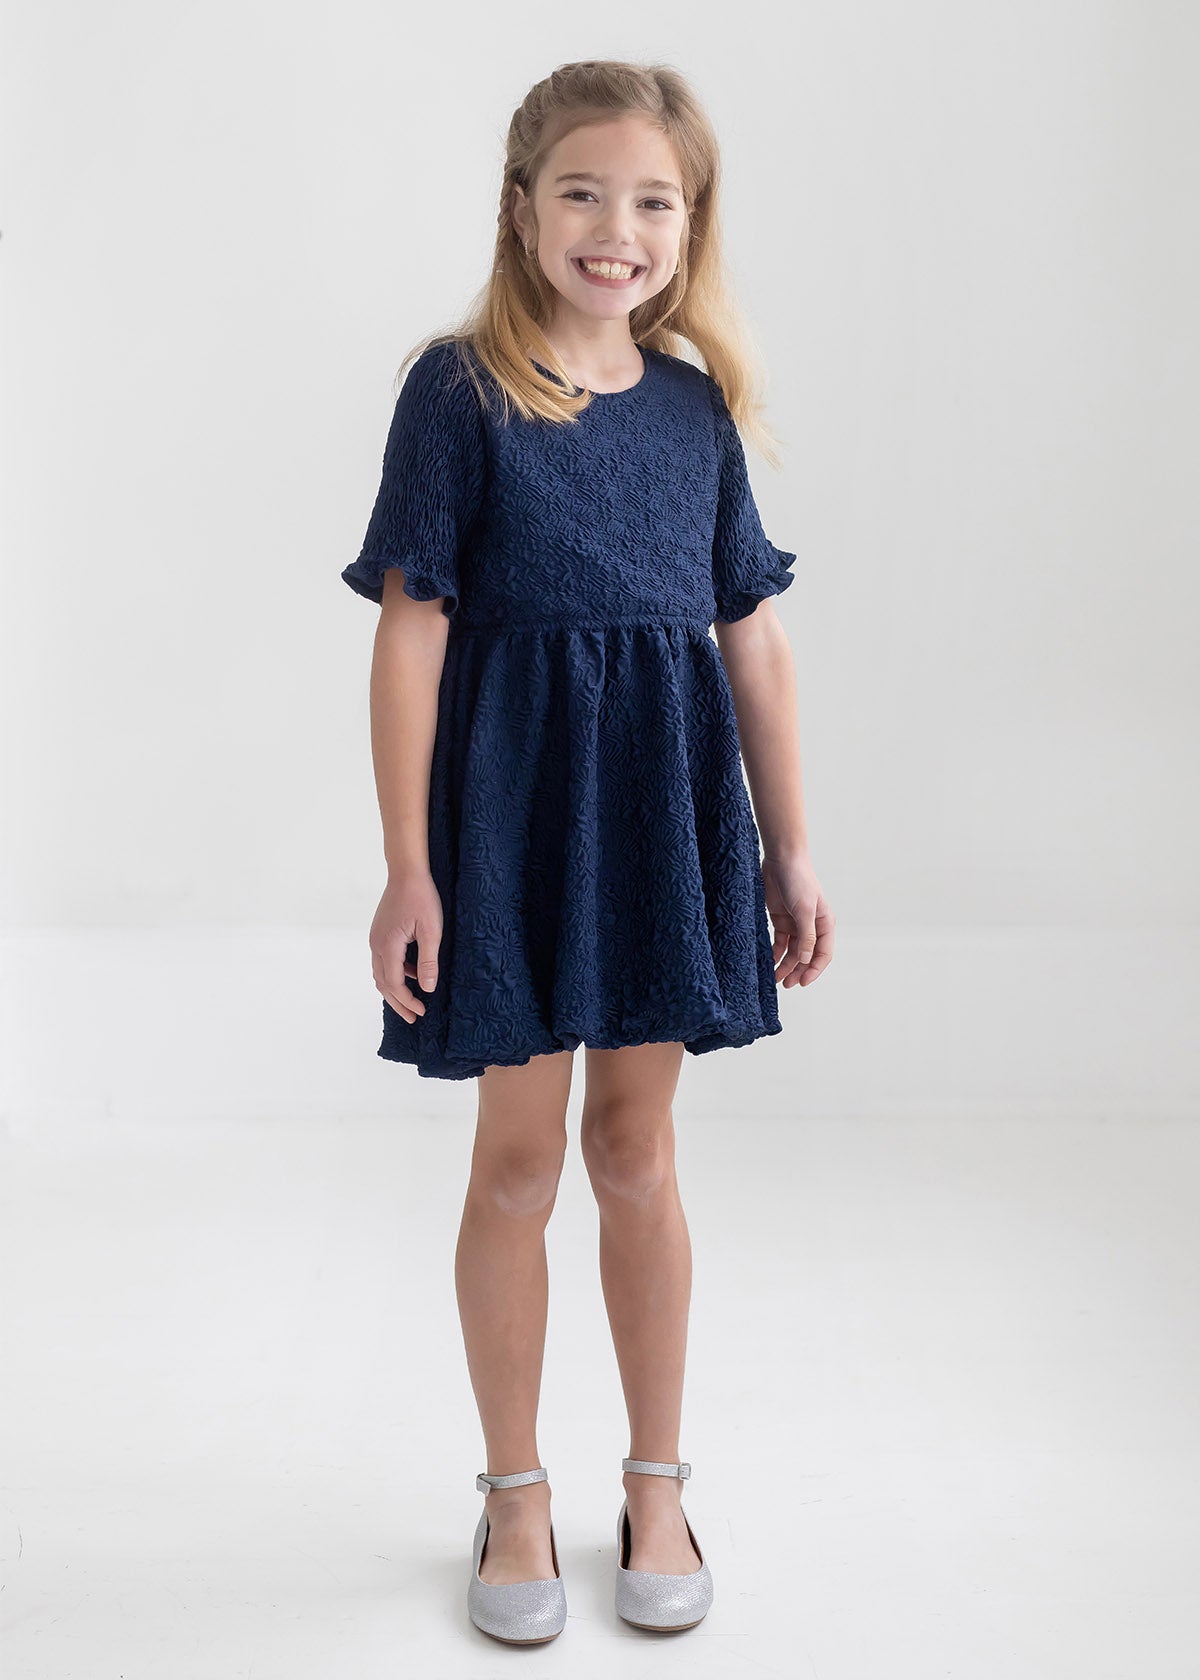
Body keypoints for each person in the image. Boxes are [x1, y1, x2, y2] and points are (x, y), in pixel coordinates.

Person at [341, 59, 835, 1644]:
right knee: (517, 1159)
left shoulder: (694, 407)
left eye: (652, 202)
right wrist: (409, 864)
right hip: (512, 818)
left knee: (636, 1151)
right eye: (581, 192)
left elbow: (752, 638)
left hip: (660, 815)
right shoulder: (460, 392)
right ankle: (513, 1491)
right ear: (520, 206)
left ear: (690, 226)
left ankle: (658, 1482)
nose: (615, 229)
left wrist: (790, 850)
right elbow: (412, 632)